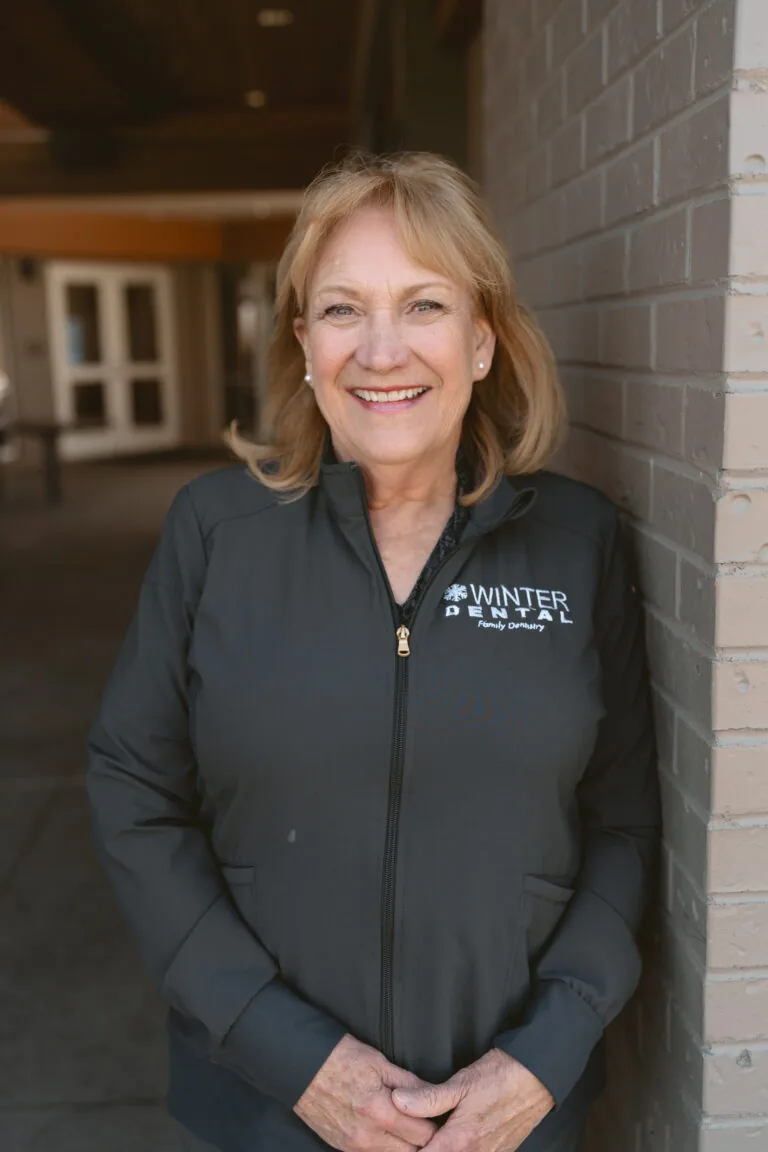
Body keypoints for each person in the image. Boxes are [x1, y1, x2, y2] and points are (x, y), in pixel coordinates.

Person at [86, 152, 660, 1152]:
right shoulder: (216, 534)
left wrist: (547, 1054)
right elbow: (133, 789)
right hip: (267, 1108)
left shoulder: (577, 544)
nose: (381, 350)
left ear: (483, 343)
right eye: (344, 310)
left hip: (510, 1121)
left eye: (425, 305)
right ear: (303, 344)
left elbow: (625, 823)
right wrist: (293, 1056)